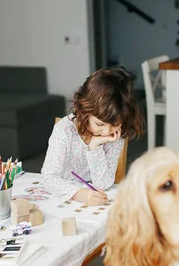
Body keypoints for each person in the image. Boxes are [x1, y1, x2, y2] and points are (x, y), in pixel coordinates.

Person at [41, 66, 144, 206]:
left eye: (115, 124)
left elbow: (104, 183)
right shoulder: (64, 131)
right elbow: (48, 178)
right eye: (99, 124)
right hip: (65, 198)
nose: (107, 131)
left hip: (96, 201)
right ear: (85, 112)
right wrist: (79, 193)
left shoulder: (115, 135)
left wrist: (94, 147)